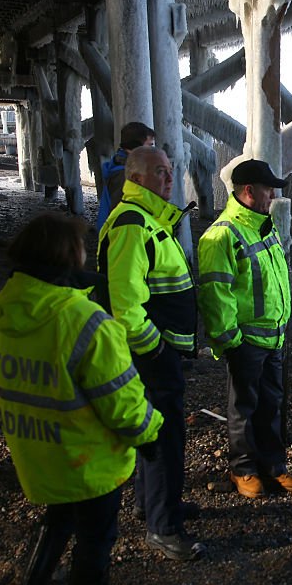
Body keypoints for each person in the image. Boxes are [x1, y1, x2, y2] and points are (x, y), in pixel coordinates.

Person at [0, 212, 162, 585]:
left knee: (55, 526)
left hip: (38, 454)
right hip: (90, 463)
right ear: (67, 256)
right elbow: (123, 403)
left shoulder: (3, 310)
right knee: (95, 544)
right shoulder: (86, 321)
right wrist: (149, 434)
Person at [98, 146, 203, 561]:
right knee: (164, 436)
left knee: (153, 432)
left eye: (170, 171)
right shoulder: (132, 225)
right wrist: (155, 349)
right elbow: (125, 305)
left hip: (159, 353)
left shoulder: (150, 220)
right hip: (152, 356)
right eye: (160, 172)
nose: (169, 178)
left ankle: (153, 504)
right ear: (135, 179)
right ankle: (163, 526)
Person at [198, 159, 292, 498]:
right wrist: (231, 340)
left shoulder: (262, 225)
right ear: (248, 191)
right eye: (267, 189)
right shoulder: (222, 235)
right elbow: (216, 293)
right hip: (247, 340)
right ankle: (242, 469)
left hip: (273, 337)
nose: (272, 195)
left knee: (271, 403)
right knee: (243, 406)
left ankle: (273, 466)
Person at [96, 122, 155, 231]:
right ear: (136, 146)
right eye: (150, 145)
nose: (152, 151)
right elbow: (120, 214)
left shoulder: (121, 166)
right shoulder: (123, 175)